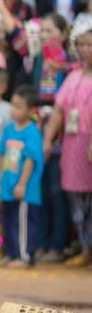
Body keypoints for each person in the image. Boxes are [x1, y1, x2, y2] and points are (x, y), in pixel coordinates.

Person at [43, 21, 92, 268]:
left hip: (89, 143)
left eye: (89, 45)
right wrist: (48, 139)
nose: (84, 49)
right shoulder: (73, 76)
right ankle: (85, 248)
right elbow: (59, 110)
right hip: (73, 144)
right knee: (76, 198)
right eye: (80, 44)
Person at [0, 86, 43, 268]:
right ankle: (12, 253)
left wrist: (22, 184)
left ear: (31, 110)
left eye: (19, 106)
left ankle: (25, 256)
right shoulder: (9, 129)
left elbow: (30, 160)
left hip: (25, 189)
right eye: (13, 105)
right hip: (8, 186)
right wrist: (1, 183)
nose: (13, 110)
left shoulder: (32, 132)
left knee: (23, 222)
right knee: (9, 221)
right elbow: (3, 155)